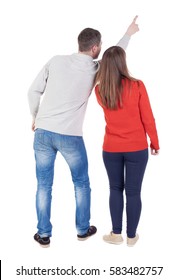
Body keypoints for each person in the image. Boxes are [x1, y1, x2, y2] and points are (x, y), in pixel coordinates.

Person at [28, 17, 139, 247]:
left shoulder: (56, 60)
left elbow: (33, 90)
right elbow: (115, 54)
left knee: (43, 185)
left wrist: (35, 116)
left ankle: (44, 234)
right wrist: (128, 34)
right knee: (81, 183)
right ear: (95, 47)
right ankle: (82, 229)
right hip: (70, 136)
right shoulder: (95, 69)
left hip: (43, 132)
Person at [94, 46, 159, 246]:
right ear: (123, 62)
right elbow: (148, 118)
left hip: (111, 148)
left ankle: (116, 234)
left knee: (115, 189)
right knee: (133, 192)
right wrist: (154, 142)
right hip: (136, 148)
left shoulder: (100, 89)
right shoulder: (137, 86)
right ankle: (131, 237)